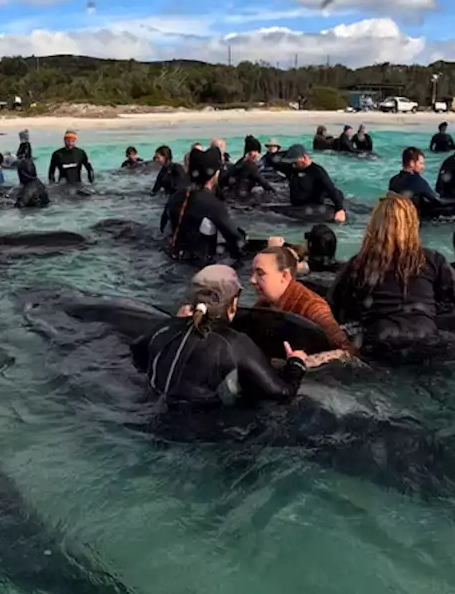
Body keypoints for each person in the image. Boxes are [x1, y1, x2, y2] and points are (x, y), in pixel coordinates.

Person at [330, 195, 455, 351]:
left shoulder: (358, 263)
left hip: (380, 341)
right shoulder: (432, 259)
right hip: (424, 338)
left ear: (374, 226)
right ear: (412, 225)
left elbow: (333, 305)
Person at [131, 265, 309, 405]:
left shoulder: (164, 328)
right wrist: (296, 364)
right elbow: (283, 394)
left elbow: (137, 354)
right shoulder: (236, 344)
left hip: (153, 413)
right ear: (233, 304)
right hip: (203, 434)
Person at [250, 246, 353, 360]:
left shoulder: (313, 307)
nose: (252, 280)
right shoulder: (265, 303)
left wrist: (308, 361)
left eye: (260, 274)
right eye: (252, 273)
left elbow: (347, 352)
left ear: (284, 276)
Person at [163, 148, 245, 264]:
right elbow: (237, 241)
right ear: (215, 174)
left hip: (171, 259)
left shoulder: (175, 197)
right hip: (199, 268)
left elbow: (163, 227)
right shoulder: (213, 204)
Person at [283, 145, 347, 222]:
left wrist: (340, 210)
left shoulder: (318, 172)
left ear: (305, 158)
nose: (293, 165)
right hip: (296, 208)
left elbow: (332, 190)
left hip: (312, 209)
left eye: (295, 162)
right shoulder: (293, 169)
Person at [388, 147, 446, 218]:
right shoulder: (416, 180)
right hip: (411, 221)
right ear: (412, 163)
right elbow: (438, 201)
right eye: (421, 163)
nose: (423, 167)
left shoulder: (393, 180)